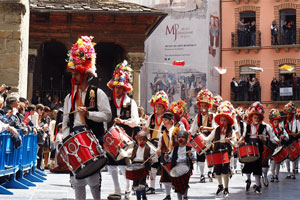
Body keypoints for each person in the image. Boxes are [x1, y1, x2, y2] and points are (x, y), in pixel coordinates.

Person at [62, 36, 112, 200]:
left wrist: (89, 114)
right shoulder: (70, 97)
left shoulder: (98, 93)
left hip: (92, 135)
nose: (74, 77)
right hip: (75, 138)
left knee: (92, 177)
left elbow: (107, 115)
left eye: (77, 74)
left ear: (84, 74)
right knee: (77, 179)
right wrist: (65, 139)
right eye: (73, 73)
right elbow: (65, 121)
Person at [106, 60, 140, 200]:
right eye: (116, 87)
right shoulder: (109, 102)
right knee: (112, 166)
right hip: (112, 141)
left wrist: (123, 122)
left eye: (120, 88)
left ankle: (128, 189)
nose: (117, 90)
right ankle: (117, 190)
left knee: (125, 165)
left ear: (125, 89)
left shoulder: (130, 103)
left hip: (126, 141)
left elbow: (136, 121)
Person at [204, 101, 235, 197]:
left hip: (226, 150)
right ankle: (220, 185)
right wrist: (205, 141)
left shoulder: (231, 130)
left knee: (225, 169)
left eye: (224, 120)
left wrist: (229, 141)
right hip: (217, 150)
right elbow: (209, 138)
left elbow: (235, 142)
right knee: (217, 169)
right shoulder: (216, 129)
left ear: (228, 121)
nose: (222, 122)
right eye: (221, 120)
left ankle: (226, 188)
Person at [238, 102, 266, 194]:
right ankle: (248, 180)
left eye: (258, 118)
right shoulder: (248, 126)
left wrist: (263, 137)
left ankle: (258, 186)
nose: (256, 119)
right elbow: (243, 135)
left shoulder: (263, 127)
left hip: (258, 148)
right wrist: (240, 140)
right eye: (254, 117)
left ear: (260, 118)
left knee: (257, 168)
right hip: (249, 147)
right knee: (247, 165)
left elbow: (266, 137)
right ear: (251, 118)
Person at [145, 90, 169, 194]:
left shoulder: (167, 117)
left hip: (164, 144)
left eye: (159, 106)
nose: (157, 108)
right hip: (152, 144)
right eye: (156, 106)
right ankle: (151, 187)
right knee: (152, 165)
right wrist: (146, 133)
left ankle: (169, 186)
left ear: (164, 107)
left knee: (165, 165)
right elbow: (146, 129)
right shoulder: (151, 117)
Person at [190, 89, 215, 183]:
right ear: (199, 106)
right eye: (201, 105)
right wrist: (189, 132)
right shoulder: (198, 116)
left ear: (208, 106)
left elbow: (215, 128)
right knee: (200, 155)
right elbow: (193, 129)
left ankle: (209, 172)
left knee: (210, 155)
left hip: (209, 138)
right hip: (200, 138)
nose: (203, 107)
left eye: (205, 105)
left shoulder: (212, 116)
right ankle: (201, 174)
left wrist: (206, 128)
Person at [165, 131, 196, 200]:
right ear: (177, 139)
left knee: (185, 184)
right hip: (176, 167)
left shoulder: (189, 148)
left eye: (183, 137)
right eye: (179, 137)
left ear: (186, 139)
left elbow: (194, 159)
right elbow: (170, 158)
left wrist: (190, 155)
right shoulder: (175, 149)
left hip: (186, 167)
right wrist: (166, 157)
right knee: (178, 186)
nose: (180, 139)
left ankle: (185, 196)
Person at [130, 130, 157, 200]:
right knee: (136, 183)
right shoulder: (135, 148)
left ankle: (144, 196)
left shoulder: (148, 148)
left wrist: (151, 159)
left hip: (143, 166)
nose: (141, 141)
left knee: (142, 182)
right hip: (135, 165)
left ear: (146, 140)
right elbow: (129, 155)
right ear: (137, 140)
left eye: (143, 140)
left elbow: (154, 156)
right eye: (140, 140)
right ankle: (138, 197)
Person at [158, 112, 177, 200]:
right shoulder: (163, 133)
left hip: (174, 156)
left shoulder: (176, 131)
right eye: (163, 120)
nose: (163, 122)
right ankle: (168, 195)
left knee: (175, 176)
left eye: (165, 120)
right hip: (164, 156)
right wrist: (158, 149)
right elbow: (160, 144)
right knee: (165, 176)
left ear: (171, 121)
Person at [269, 109, 289, 182]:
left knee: (278, 162)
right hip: (273, 148)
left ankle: (276, 175)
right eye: (274, 122)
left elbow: (287, 138)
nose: (276, 123)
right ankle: (272, 175)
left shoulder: (282, 129)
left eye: (277, 122)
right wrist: (276, 140)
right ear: (272, 122)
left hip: (280, 148)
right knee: (272, 162)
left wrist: (284, 137)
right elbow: (271, 138)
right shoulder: (270, 130)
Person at [283, 101, 298, 179]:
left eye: (290, 113)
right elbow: (282, 129)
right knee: (287, 157)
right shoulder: (285, 120)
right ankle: (288, 173)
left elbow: (299, 131)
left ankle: (293, 173)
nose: (288, 114)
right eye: (287, 113)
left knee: (293, 157)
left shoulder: (297, 121)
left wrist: (296, 134)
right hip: (287, 140)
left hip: (294, 140)